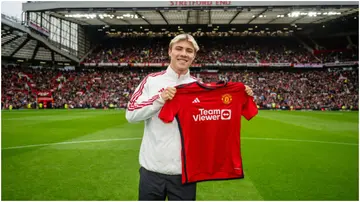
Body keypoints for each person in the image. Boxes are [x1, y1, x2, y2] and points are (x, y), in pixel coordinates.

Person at [125, 34, 253, 201]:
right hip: (151, 170)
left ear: (194, 56)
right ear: (170, 51)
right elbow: (131, 114)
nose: (184, 54)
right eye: (179, 49)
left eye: (189, 51)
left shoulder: (198, 88)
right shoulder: (151, 81)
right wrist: (159, 99)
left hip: (185, 173)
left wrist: (243, 96)